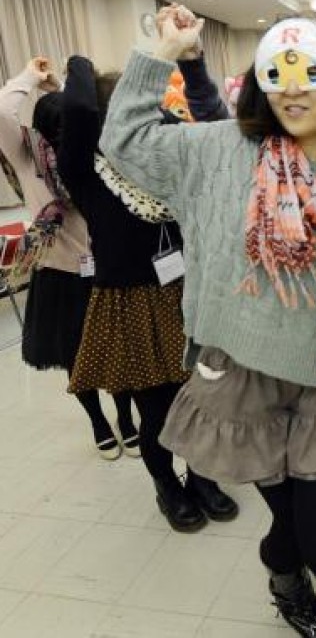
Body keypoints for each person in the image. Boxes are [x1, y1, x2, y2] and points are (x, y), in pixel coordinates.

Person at [100, 6, 316, 637]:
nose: (291, 87)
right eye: (277, 70)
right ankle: (289, 589)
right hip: (239, 375)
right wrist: (164, 53)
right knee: (290, 529)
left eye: (310, 70)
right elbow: (125, 143)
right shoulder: (217, 152)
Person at [58, 51, 237, 534]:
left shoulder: (161, 166)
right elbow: (74, 112)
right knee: (154, 412)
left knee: (199, 400)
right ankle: (167, 486)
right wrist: (81, 65)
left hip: (184, 295)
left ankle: (201, 477)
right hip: (130, 305)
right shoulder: (86, 171)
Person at [0, 57, 138, 460]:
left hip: (108, 267)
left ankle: (127, 420)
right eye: (57, 131)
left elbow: (84, 109)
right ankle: (99, 422)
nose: (66, 138)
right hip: (60, 273)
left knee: (118, 353)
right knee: (76, 358)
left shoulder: (93, 154)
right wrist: (30, 76)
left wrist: (58, 85)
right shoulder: (29, 158)